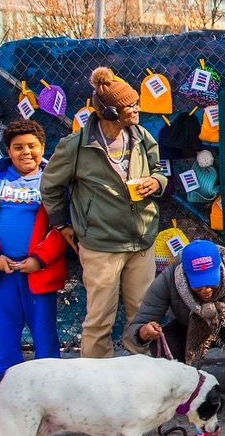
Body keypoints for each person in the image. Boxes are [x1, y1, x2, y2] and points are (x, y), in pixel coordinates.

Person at [41, 67, 167, 359]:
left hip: (142, 241)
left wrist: (156, 182)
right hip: (101, 245)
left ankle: (140, 379)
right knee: (99, 320)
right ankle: (97, 385)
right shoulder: (76, 146)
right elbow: (49, 186)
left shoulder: (142, 136)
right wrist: (63, 226)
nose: (136, 109)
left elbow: (160, 170)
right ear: (108, 112)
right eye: (129, 106)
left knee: (143, 318)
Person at [0, 119, 69, 411]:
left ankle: (51, 397)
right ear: (8, 149)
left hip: (37, 273)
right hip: (0, 273)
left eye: (32, 146)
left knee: (45, 334)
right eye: (18, 147)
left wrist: (39, 259)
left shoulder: (52, 177)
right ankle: (6, 397)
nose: (26, 152)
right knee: (5, 334)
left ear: (43, 147)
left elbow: (63, 226)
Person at [124, 239, 225, 408]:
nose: (206, 290)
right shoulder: (169, 278)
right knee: (163, 340)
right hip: (189, 329)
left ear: (220, 268)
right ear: (185, 276)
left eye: (210, 281)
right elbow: (137, 325)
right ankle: (184, 382)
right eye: (198, 285)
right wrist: (144, 332)